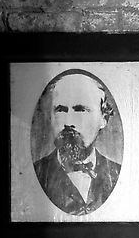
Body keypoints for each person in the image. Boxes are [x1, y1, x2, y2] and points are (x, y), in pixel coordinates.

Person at [33, 70, 121, 215]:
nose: (68, 122)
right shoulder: (38, 173)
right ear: (50, 117)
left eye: (80, 110)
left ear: (103, 119)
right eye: (60, 110)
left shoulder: (116, 173)